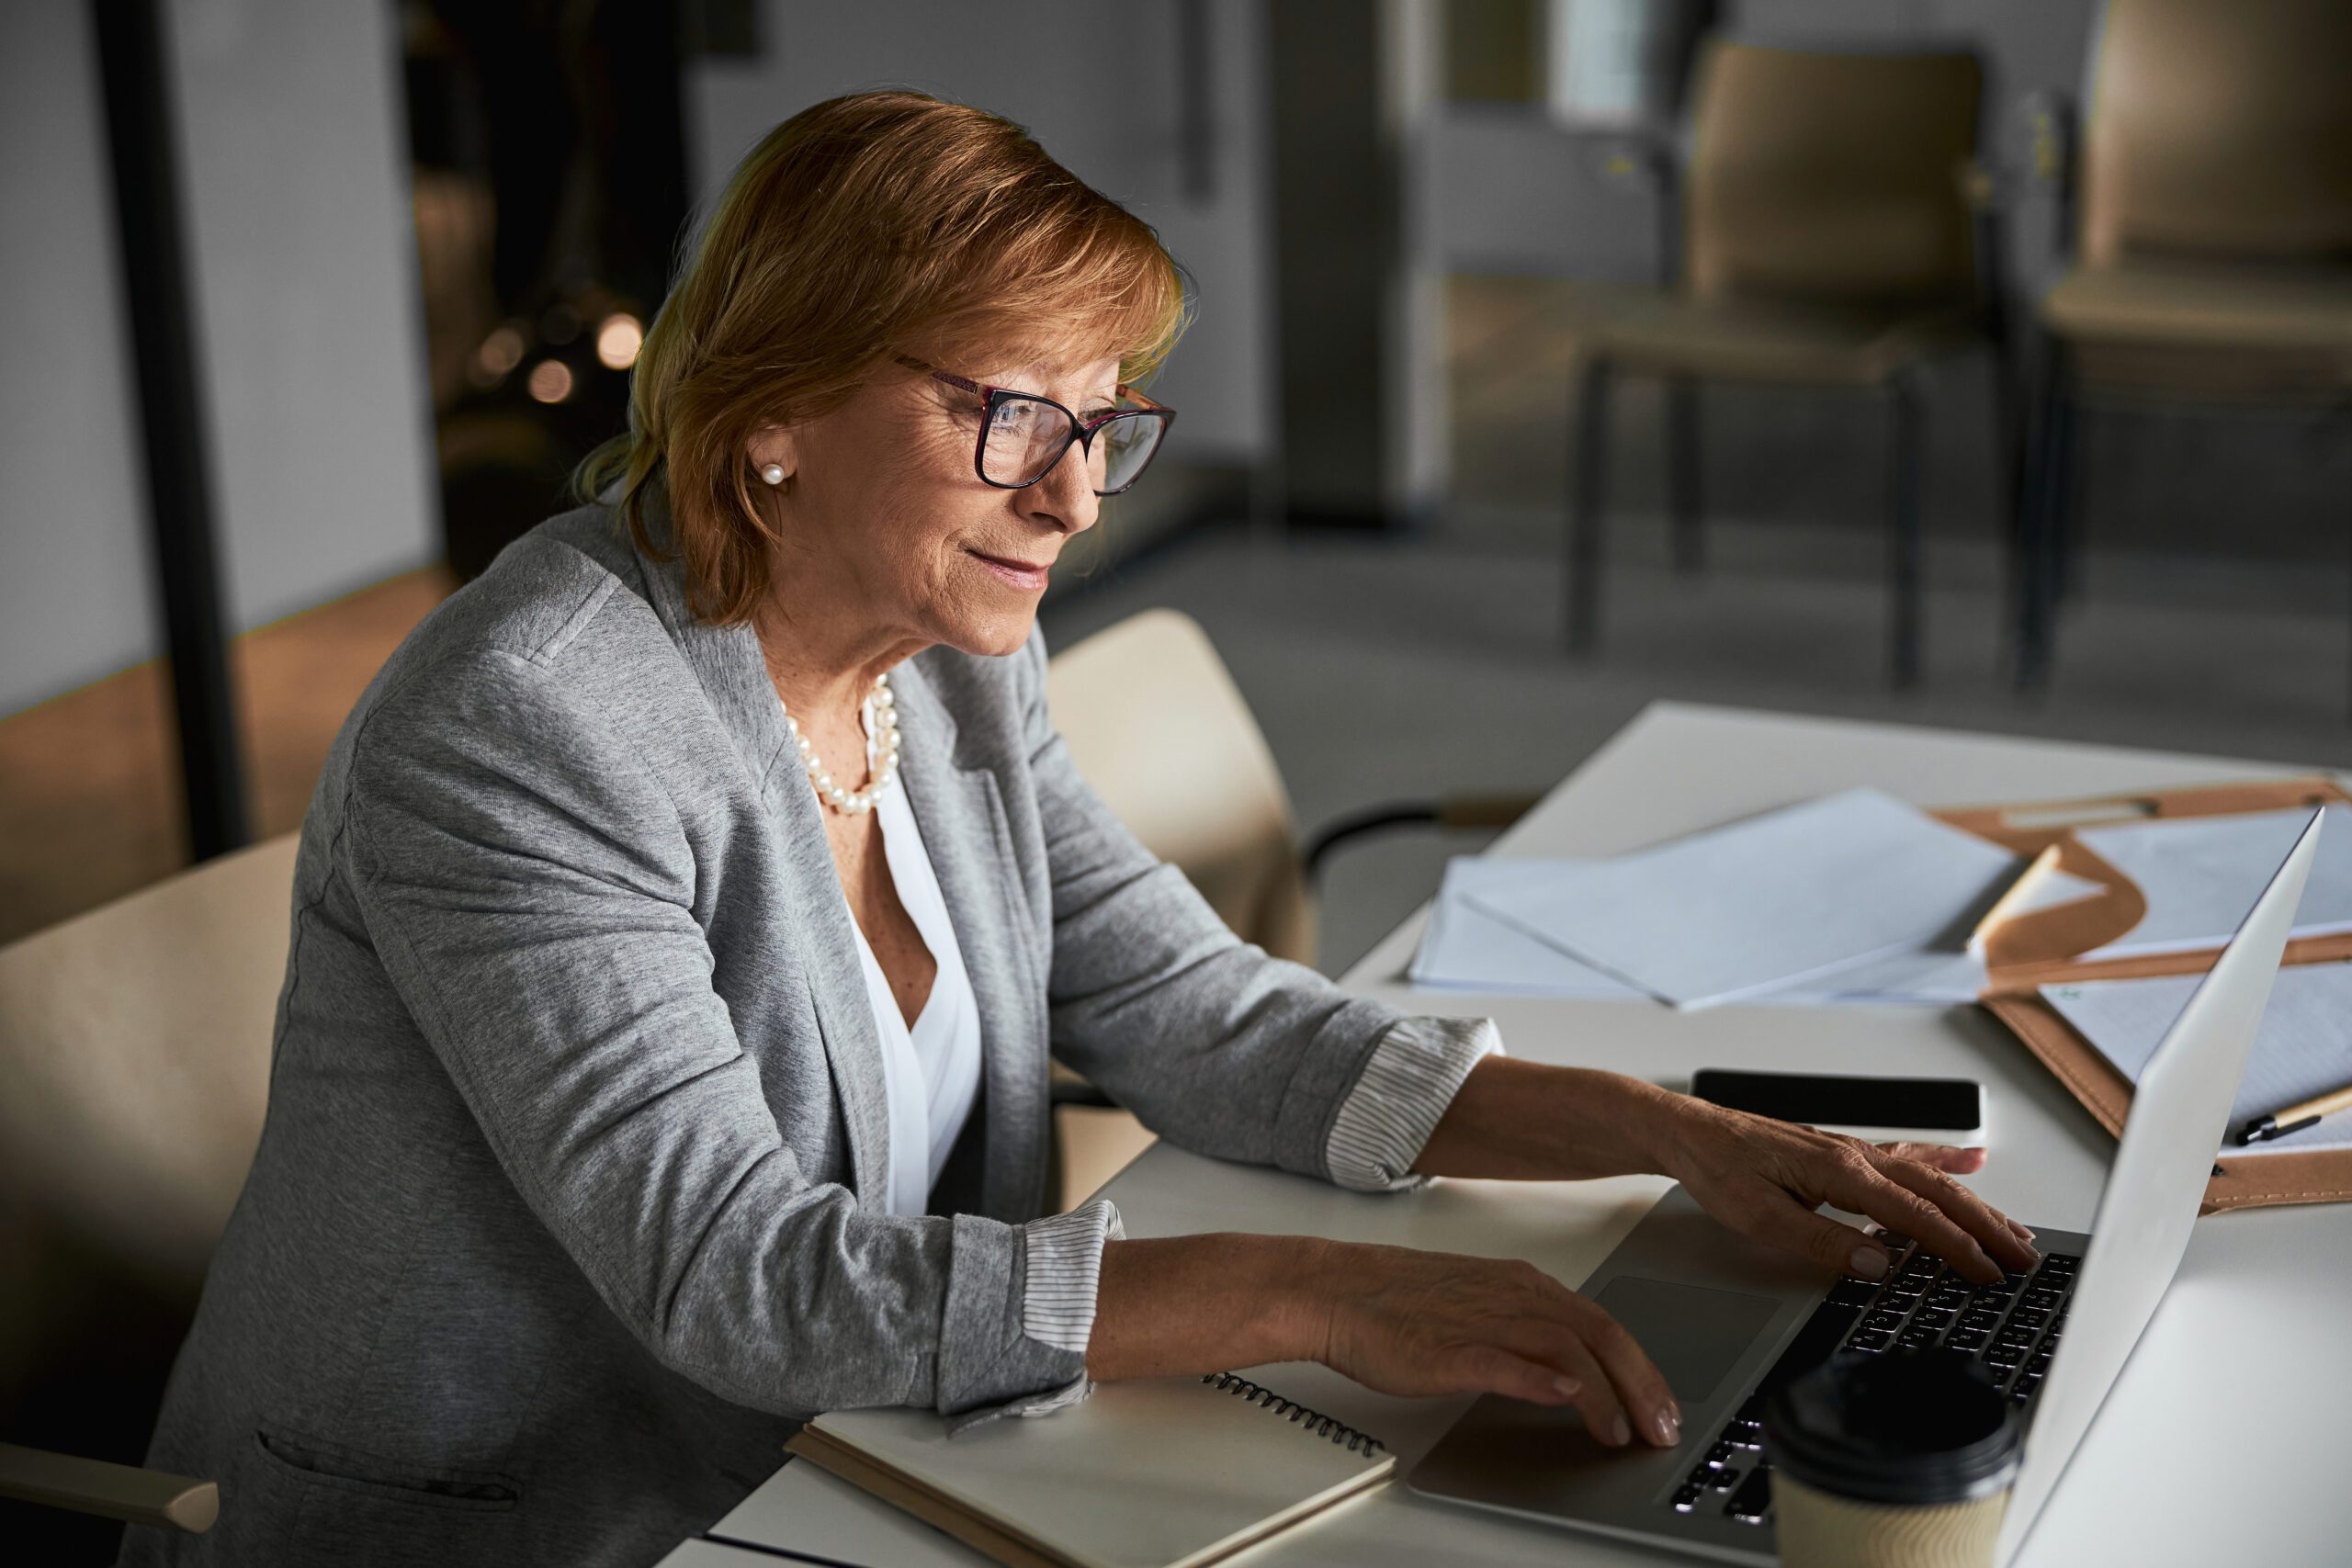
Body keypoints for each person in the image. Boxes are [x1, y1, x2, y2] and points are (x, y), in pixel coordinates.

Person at [129, 91, 2035, 1568]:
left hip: (875, 1463)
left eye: (1103, 423)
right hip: (554, 1521)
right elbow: (740, 1274)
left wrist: (1663, 1135)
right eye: (1009, 414)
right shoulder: (530, 723)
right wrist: (1312, 1295)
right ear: (772, 408)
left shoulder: (945, 650)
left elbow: (1194, 1012)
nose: (1068, 497)